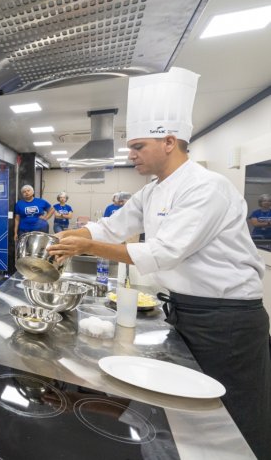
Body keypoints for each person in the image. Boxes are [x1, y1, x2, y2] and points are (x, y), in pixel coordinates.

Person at [47, 67, 270, 459]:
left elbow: (162, 252)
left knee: (232, 418)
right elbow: (110, 228)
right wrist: (67, 239)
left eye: (137, 147)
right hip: (185, 310)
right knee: (188, 410)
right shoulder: (152, 192)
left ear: (169, 141)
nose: (130, 155)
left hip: (227, 320)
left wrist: (87, 249)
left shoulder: (207, 188)